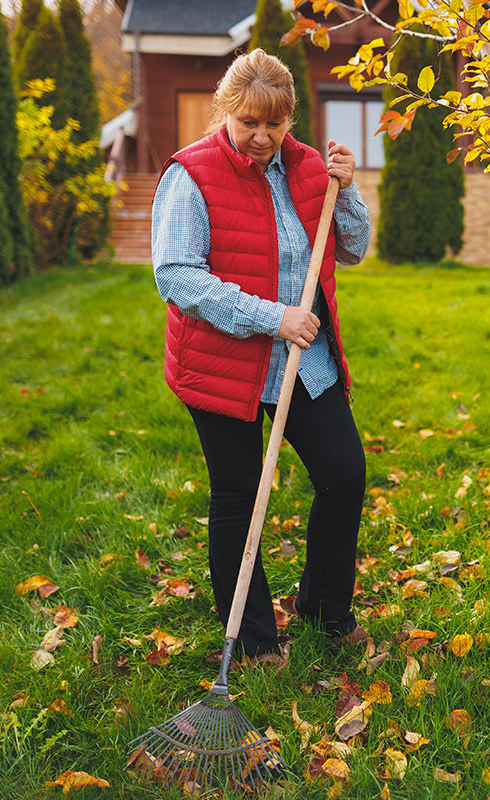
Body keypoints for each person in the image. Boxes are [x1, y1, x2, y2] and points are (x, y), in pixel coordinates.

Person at [152, 49, 371, 662]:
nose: (260, 137)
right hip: (225, 363)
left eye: (273, 124)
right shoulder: (190, 175)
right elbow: (177, 278)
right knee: (239, 497)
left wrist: (346, 192)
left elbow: (352, 247)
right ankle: (252, 639)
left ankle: (324, 608)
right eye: (248, 122)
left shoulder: (307, 168)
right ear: (225, 110)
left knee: (343, 475)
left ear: (289, 118)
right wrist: (274, 318)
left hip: (306, 359)